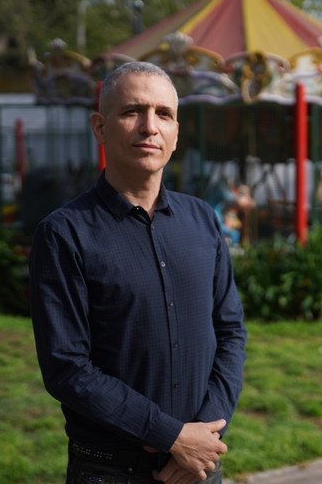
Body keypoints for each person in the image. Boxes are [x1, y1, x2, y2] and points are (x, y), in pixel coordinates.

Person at [29, 61, 247, 484]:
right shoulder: (64, 234)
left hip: (197, 468)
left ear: (176, 133)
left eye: (163, 114)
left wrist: (202, 438)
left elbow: (230, 331)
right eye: (132, 111)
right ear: (100, 126)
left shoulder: (202, 219)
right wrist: (172, 437)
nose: (150, 126)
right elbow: (67, 367)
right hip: (111, 472)